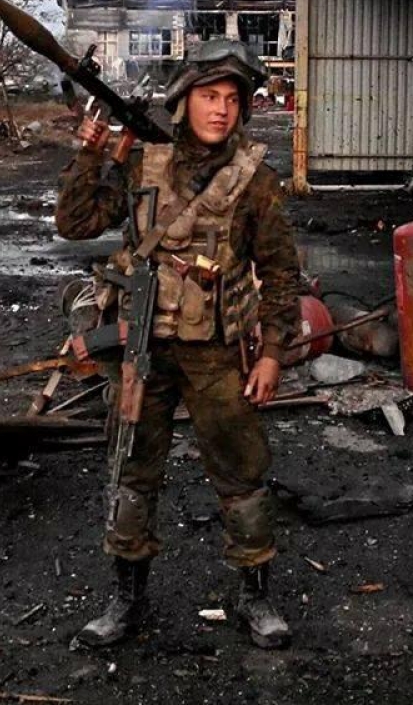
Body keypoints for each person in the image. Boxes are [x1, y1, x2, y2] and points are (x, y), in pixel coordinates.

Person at [55, 39, 301, 650]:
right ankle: (126, 599)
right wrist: (90, 153)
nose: (220, 110)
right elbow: (76, 223)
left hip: (217, 353)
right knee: (131, 473)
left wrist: (272, 353)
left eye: (231, 100)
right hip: (142, 347)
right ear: (183, 101)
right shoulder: (143, 163)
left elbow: (280, 273)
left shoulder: (255, 180)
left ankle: (255, 596)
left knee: (243, 475)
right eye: (208, 96)